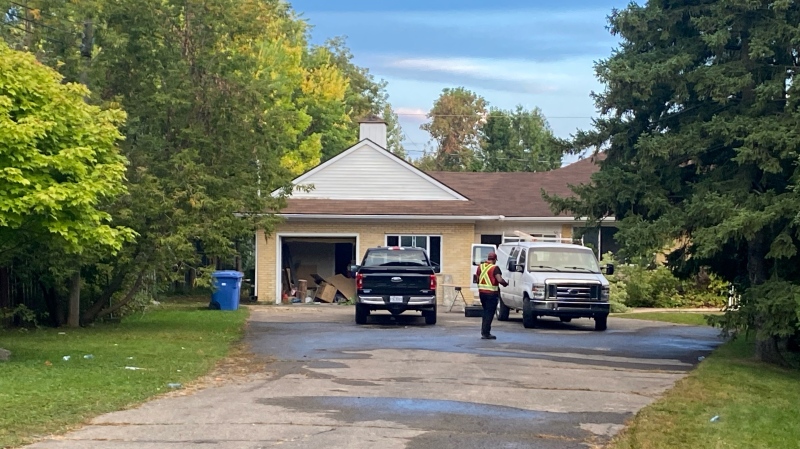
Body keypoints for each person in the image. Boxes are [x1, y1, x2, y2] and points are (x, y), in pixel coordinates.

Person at [475, 252, 509, 340]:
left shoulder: (480, 267)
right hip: (491, 294)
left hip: (482, 293)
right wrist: (505, 284)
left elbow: (476, 279)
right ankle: (486, 333)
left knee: (485, 312)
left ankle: (484, 331)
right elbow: (499, 279)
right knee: (489, 313)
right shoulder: (495, 268)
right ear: (494, 260)